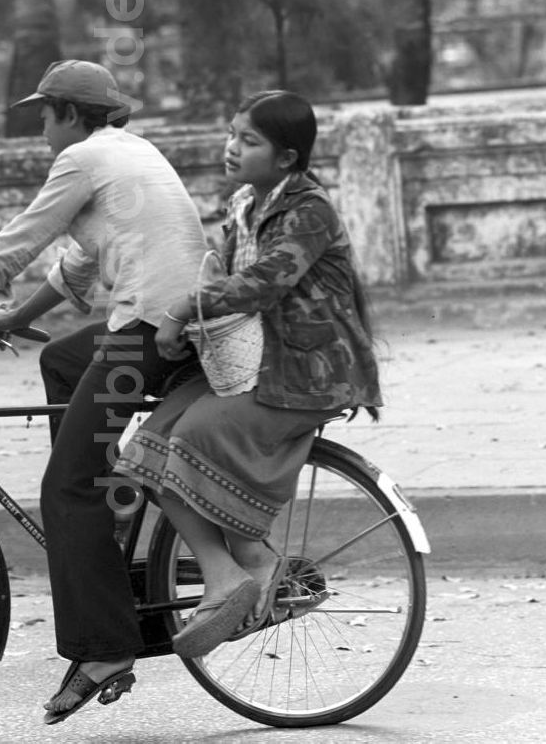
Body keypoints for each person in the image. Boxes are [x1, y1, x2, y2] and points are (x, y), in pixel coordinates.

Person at [0, 59, 209, 723]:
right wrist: (18, 318)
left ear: (67, 113)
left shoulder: (83, 159)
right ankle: (109, 509)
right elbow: (80, 262)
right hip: (165, 313)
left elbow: (16, 240)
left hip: (154, 324)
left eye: (44, 112)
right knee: (64, 362)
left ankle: (102, 650)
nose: (40, 124)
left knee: (65, 486)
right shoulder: (125, 151)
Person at [114, 89, 382, 658]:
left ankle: (253, 562)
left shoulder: (310, 210)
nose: (232, 147)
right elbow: (222, 279)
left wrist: (185, 308)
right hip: (255, 364)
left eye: (249, 140)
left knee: (192, 440)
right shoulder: (244, 204)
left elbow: (264, 281)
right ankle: (226, 571)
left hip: (307, 371)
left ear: (286, 158)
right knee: (146, 449)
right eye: (232, 134)